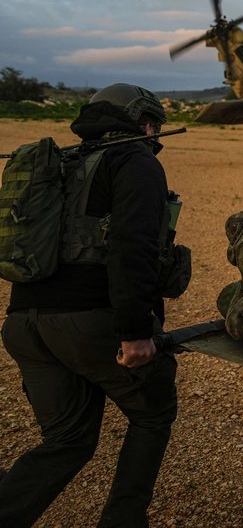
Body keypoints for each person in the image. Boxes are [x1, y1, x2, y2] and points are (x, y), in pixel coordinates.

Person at [0, 84, 179, 527]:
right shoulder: (135, 161)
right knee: (153, 414)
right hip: (87, 322)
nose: (155, 134)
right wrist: (135, 331)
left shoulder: (62, 162)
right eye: (153, 125)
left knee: (67, 439)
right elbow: (133, 247)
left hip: (24, 325)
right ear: (143, 123)